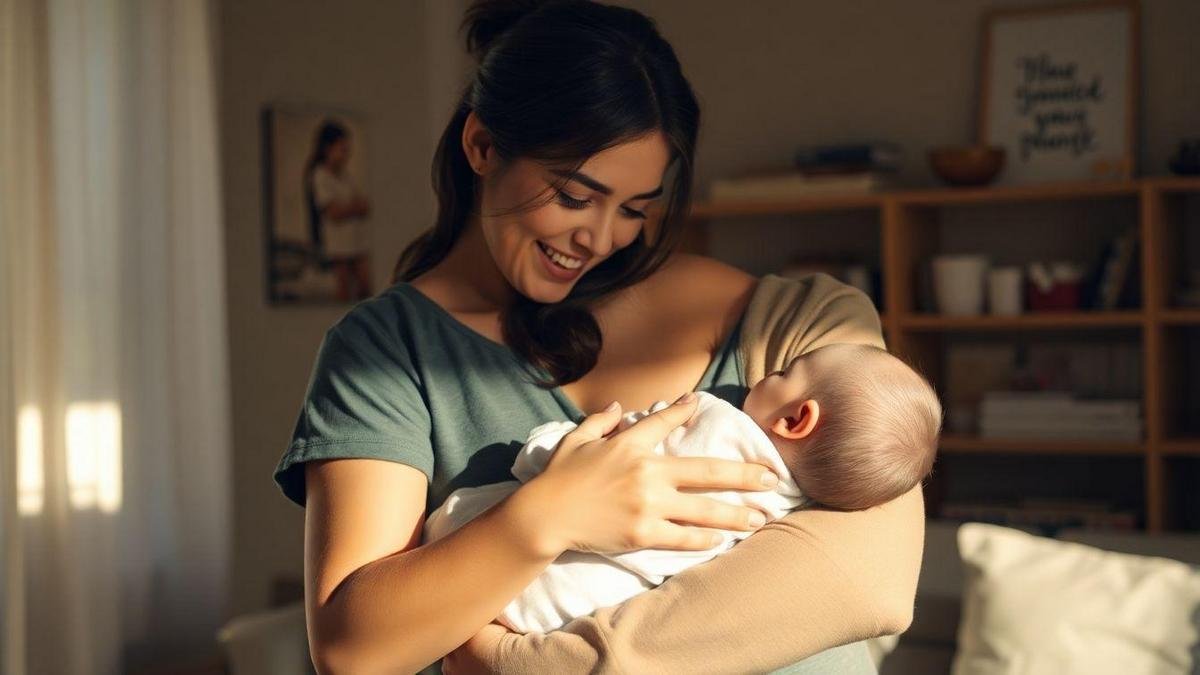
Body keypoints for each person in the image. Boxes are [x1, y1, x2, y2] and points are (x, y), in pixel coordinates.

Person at [272, 1, 925, 673]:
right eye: (576, 196)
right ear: (482, 146)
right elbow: (354, 649)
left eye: (635, 208)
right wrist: (548, 515)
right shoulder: (387, 353)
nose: (601, 236)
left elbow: (868, 580)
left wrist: (528, 664)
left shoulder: (801, 323)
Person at [422, 344, 942, 634]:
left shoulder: (709, 418)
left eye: (786, 371)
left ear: (797, 418)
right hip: (562, 615)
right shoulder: (777, 516)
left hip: (489, 562)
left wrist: (545, 447)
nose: (768, 375)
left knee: (458, 520)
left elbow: (593, 456)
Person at [304, 119, 372, 301]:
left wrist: (353, 207)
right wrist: (353, 208)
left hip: (355, 240)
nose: (346, 155)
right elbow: (333, 212)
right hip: (338, 245)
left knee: (365, 286)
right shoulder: (319, 176)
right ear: (328, 148)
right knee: (343, 290)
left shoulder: (345, 176)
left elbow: (361, 204)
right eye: (342, 149)